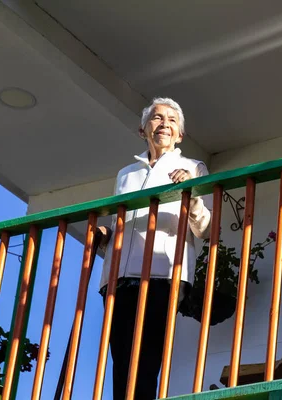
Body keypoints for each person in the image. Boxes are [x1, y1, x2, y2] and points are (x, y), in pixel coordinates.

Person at [97, 97, 212, 399]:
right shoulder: (126, 174)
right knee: (120, 360)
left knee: (146, 359)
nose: (164, 124)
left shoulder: (191, 167)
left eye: (172, 120)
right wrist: (103, 236)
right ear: (142, 129)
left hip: (162, 275)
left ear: (180, 135)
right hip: (118, 278)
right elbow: (119, 224)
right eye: (157, 118)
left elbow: (207, 229)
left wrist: (192, 194)